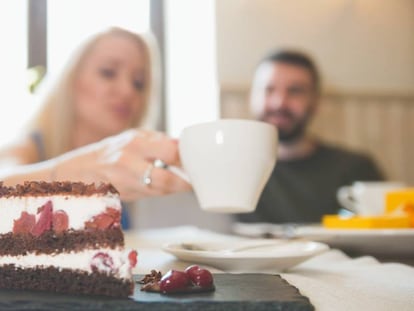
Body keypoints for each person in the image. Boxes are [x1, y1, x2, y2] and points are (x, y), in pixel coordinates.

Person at [0, 27, 190, 228]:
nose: (127, 91)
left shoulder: (124, 170)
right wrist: (81, 172)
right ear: (72, 80)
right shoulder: (28, 147)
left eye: (138, 83)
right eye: (108, 72)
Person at [237, 49, 384, 224]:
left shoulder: (356, 168)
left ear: (315, 101)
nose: (279, 102)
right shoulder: (229, 169)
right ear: (251, 97)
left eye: (295, 91)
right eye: (269, 89)